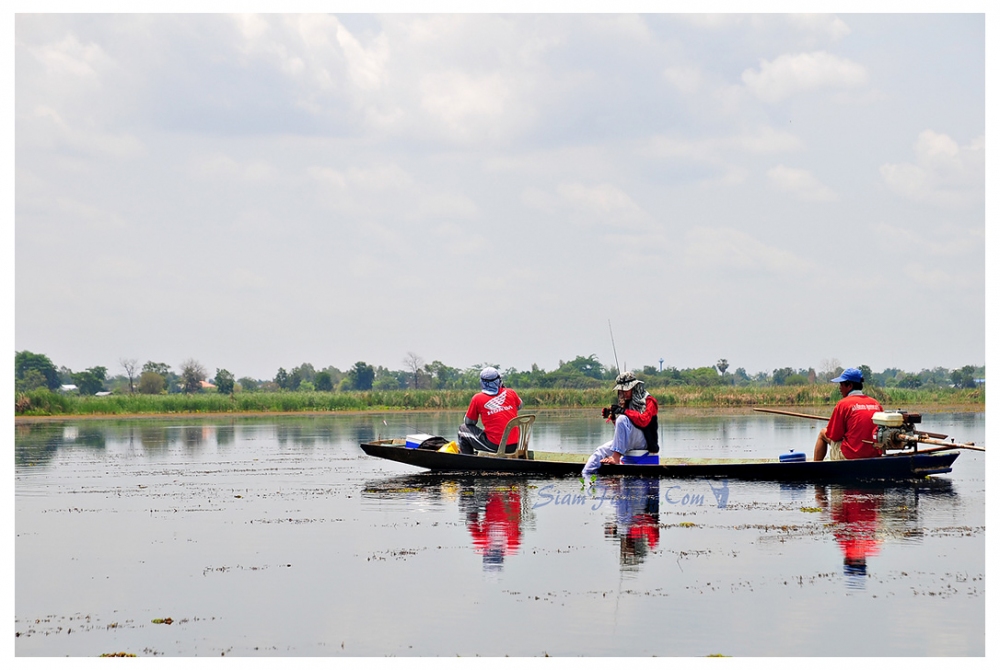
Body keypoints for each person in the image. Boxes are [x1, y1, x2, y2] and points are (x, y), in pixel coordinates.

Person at [582, 372, 659, 475]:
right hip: (631, 440)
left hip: (644, 440)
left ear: (634, 387)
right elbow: (623, 431)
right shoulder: (627, 402)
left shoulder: (649, 401)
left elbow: (644, 421)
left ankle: (616, 457)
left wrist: (623, 412)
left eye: (625, 390)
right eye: (621, 390)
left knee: (622, 419)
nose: (623, 393)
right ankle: (586, 475)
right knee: (600, 451)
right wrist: (613, 417)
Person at [814, 367, 883, 461]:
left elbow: (834, 436)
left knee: (823, 433)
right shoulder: (876, 403)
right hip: (874, 453)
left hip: (851, 455)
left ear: (849, 385)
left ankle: (816, 468)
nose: (839, 388)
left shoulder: (843, 404)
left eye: (841, 384)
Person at [457, 367, 523, 454]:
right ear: (499, 380)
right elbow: (519, 405)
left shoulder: (477, 398)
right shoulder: (510, 392)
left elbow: (469, 423)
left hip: (495, 446)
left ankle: (468, 461)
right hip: (516, 445)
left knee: (462, 429)